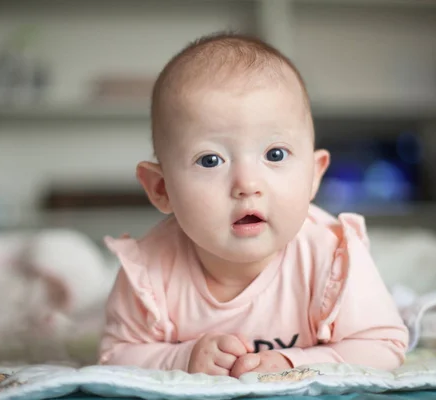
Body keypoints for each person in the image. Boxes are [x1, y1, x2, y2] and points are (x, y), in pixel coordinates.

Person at [98, 32, 408, 378]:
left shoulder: (331, 257)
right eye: (211, 160)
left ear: (314, 175)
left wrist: (293, 362)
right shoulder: (149, 272)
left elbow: (384, 345)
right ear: (161, 189)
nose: (247, 185)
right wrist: (182, 359)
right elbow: (115, 355)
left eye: (274, 154)